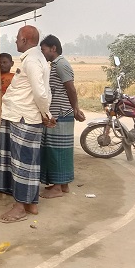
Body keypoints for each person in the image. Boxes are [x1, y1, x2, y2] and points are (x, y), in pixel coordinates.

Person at [0, 26, 53, 223]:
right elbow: (43, 91)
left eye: (18, 38)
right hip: (23, 116)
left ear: (25, 40)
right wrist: (45, 113)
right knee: (28, 163)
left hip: (23, 118)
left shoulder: (33, 60)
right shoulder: (35, 58)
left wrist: (46, 113)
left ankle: (19, 208)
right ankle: (30, 204)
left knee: (21, 164)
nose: (16, 41)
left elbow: (41, 93)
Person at [39, 35, 86, 199]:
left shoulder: (61, 64)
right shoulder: (56, 64)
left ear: (53, 49)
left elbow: (70, 88)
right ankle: (62, 184)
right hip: (60, 113)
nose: (42, 53)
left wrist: (75, 108)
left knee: (56, 149)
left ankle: (58, 187)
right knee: (61, 149)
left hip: (60, 113)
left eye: (44, 49)